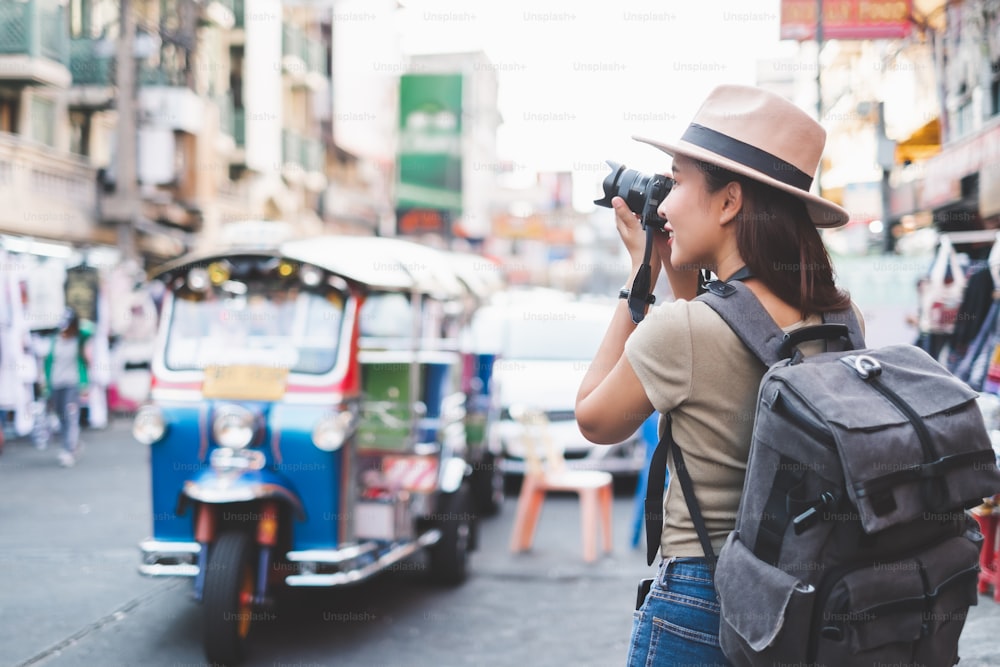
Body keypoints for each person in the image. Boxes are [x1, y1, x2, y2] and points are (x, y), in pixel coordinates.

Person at [575, 84, 859, 666]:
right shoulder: (838, 317)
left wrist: (640, 276)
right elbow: (728, 325)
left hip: (704, 605)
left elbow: (594, 419)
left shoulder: (682, 333)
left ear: (729, 203)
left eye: (676, 181)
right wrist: (672, 267)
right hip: (808, 600)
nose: (666, 204)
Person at [43, 308, 91, 467]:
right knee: (61, 417)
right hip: (56, 384)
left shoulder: (78, 339)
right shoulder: (54, 340)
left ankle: (69, 449)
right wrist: (46, 385)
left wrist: (84, 384)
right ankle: (71, 445)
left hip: (72, 384)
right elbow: (48, 364)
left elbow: (92, 329)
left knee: (71, 416)